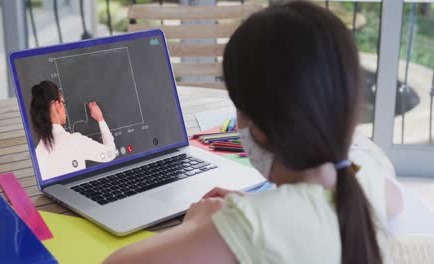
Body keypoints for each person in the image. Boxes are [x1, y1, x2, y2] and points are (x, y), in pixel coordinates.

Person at [104, 2, 403, 263]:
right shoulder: (367, 174)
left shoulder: (249, 227)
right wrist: (265, 205)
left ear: (258, 131)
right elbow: (392, 201)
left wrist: (196, 227)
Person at [30, 80, 117, 180]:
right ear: (56, 105)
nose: (64, 108)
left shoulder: (38, 153)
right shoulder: (75, 141)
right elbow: (110, 153)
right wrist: (101, 119)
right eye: (64, 103)